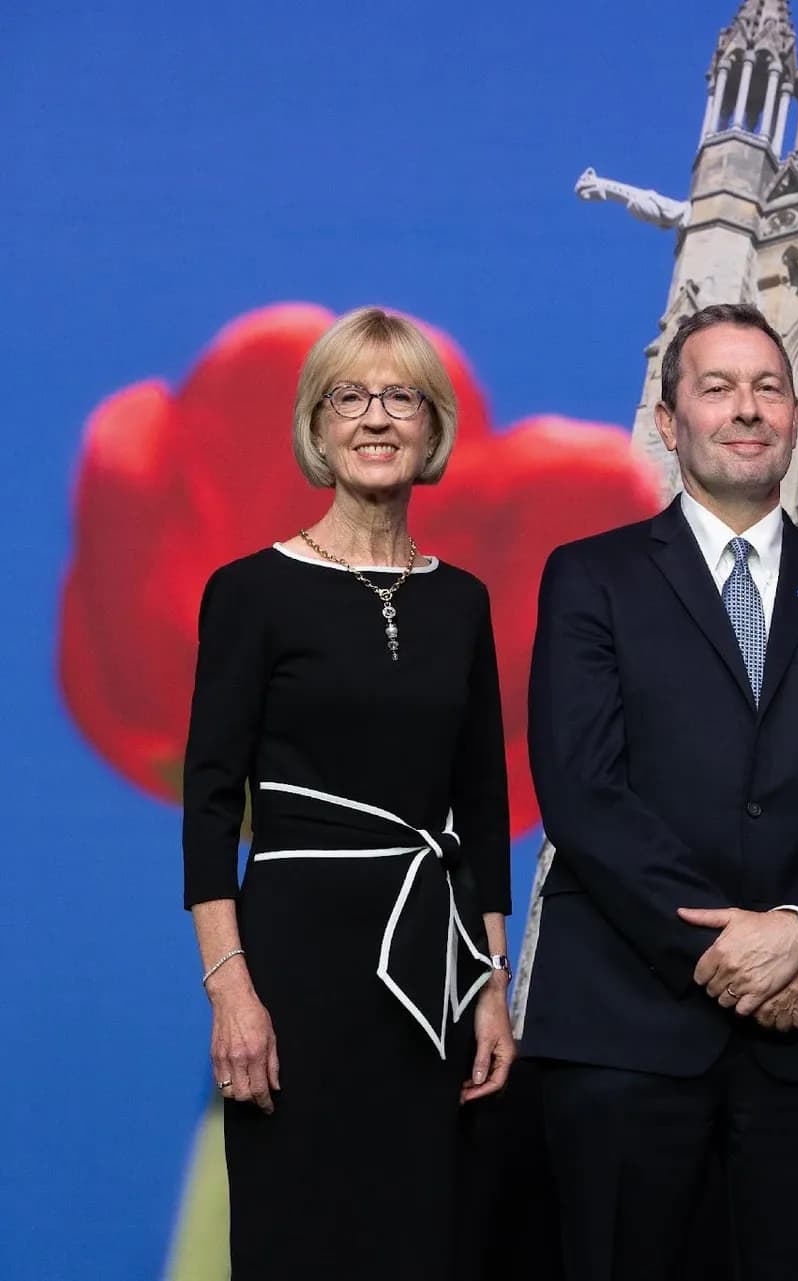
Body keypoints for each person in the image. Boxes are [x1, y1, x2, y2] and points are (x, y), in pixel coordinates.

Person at [520, 302, 798, 1281]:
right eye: (717, 388)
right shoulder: (590, 578)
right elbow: (583, 792)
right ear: (670, 422)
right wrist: (736, 956)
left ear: (794, 414)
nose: (746, 409)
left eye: (767, 388)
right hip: (626, 1032)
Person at [181, 306, 516, 1279]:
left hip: (427, 976)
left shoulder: (463, 601)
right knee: (296, 1239)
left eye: (401, 397)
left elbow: (481, 805)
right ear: (317, 426)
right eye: (350, 397)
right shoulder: (250, 591)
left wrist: (491, 988)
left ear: (432, 425)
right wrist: (230, 991)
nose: (375, 418)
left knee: (421, 1241)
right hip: (292, 971)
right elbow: (209, 806)